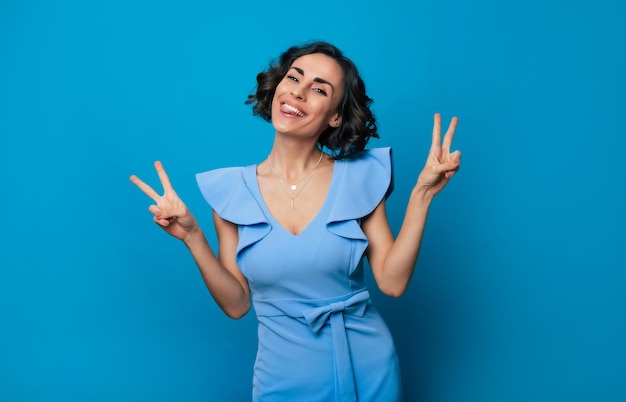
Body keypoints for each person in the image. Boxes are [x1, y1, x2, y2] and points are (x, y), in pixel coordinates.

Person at [130, 41, 461, 402]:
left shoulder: (360, 179)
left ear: (335, 115)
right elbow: (237, 304)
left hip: (367, 367)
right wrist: (193, 237)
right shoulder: (232, 191)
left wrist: (422, 196)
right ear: (277, 89)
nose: (298, 93)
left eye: (319, 89)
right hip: (282, 375)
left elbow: (393, 282)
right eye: (294, 78)